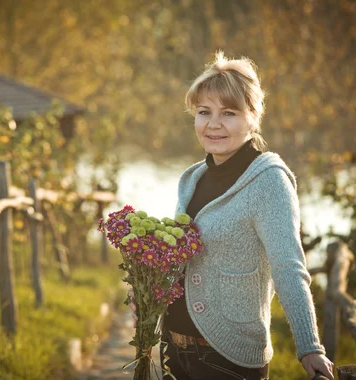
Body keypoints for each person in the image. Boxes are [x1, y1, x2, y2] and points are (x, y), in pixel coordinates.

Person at [130, 51, 334, 380]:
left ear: (253, 117)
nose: (213, 124)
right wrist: (146, 290)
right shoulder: (191, 179)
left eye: (229, 113)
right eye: (203, 112)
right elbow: (184, 258)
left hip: (227, 359)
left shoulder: (269, 182)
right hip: (174, 350)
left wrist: (310, 347)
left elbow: (288, 267)